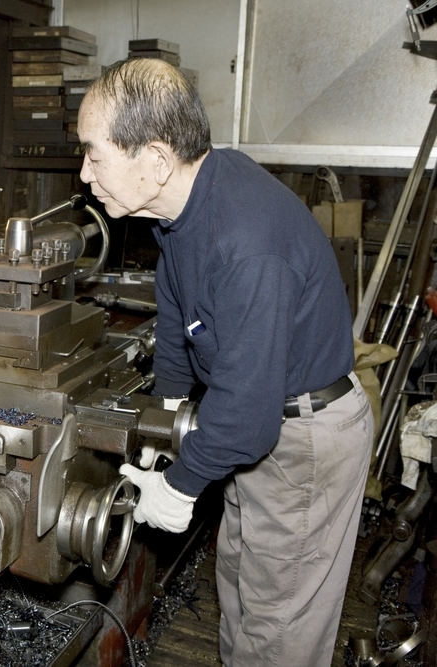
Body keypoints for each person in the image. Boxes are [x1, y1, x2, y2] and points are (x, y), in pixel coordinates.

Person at [78, 58, 373, 667]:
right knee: (239, 587)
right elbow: (175, 309)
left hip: (302, 441)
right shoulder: (184, 205)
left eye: (94, 154)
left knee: (277, 634)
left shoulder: (246, 243)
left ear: (155, 160)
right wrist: (166, 409)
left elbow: (248, 414)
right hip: (260, 428)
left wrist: (180, 485)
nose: (85, 174)